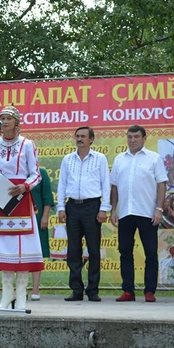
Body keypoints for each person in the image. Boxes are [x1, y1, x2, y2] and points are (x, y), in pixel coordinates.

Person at [0, 106, 43, 310]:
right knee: (2, 248)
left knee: (22, 249)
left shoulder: (27, 145)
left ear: (17, 122)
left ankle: (21, 295)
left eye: (8, 118)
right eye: (1, 118)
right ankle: (6, 295)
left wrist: (25, 186)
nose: (4, 122)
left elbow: (35, 174)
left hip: (20, 198)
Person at [110, 125, 167, 303]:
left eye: (136, 137)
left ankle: (150, 291)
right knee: (125, 252)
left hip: (148, 213)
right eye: (129, 137)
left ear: (144, 138)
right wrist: (113, 209)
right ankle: (128, 291)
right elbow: (114, 187)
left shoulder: (154, 158)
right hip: (126, 212)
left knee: (150, 252)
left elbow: (162, 185)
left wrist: (159, 209)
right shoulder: (120, 159)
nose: (132, 140)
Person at [56, 126, 111, 302]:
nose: (80, 139)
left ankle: (93, 290)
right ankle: (76, 290)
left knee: (94, 249)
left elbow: (106, 185)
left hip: (92, 206)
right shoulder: (67, 159)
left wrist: (104, 208)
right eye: (77, 136)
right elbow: (62, 184)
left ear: (91, 139)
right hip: (72, 206)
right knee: (73, 250)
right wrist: (61, 207)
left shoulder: (100, 159)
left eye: (83, 136)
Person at [30, 167, 54, 301]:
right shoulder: (16, 172)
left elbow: (47, 197)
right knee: (18, 253)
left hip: (37, 218)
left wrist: (45, 216)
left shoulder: (41, 173)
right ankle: (17, 288)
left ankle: (35, 289)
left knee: (36, 253)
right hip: (19, 219)